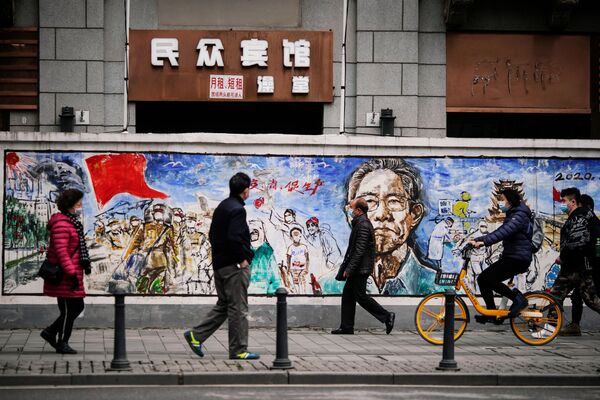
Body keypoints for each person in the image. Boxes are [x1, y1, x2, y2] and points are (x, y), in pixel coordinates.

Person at [183, 172, 260, 360]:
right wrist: (242, 259)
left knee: (224, 305)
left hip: (220, 265)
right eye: (249, 188)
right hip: (234, 267)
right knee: (238, 309)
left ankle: (196, 335)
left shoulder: (223, 206)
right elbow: (234, 238)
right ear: (245, 190)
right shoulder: (237, 210)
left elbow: (213, 235)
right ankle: (239, 350)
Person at [347, 158, 438, 295]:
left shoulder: (435, 286)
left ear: (414, 214)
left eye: (394, 201)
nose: (382, 214)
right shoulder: (329, 285)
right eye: (369, 201)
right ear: (351, 214)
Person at [332, 198, 395, 335]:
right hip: (358, 268)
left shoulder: (363, 226)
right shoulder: (360, 223)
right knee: (348, 296)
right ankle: (346, 327)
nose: (350, 210)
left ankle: (386, 316)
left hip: (360, 269)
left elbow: (359, 251)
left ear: (359, 210)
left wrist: (349, 269)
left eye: (352, 208)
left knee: (361, 296)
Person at [40, 189, 91, 354]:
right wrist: (72, 273)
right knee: (72, 309)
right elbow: (62, 253)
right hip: (66, 276)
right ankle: (62, 342)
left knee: (72, 309)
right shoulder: (62, 224)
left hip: (71, 274)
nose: (81, 204)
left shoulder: (71, 222)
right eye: (78, 201)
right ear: (71, 204)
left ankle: (50, 333)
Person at [470, 188, 531, 323]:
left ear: (510, 200)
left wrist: (482, 242)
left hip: (517, 258)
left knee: (487, 278)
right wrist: (477, 239)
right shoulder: (513, 214)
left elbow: (503, 232)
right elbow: (499, 231)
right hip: (512, 257)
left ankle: (518, 299)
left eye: (502, 199)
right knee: (484, 279)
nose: (500, 203)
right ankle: (492, 313)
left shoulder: (519, 215)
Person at [551, 188, 600, 337]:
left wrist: (562, 257)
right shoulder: (579, 216)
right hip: (571, 267)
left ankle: (552, 328)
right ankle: (549, 329)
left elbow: (576, 242)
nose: (562, 204)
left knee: (590, 299)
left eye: (563, 201)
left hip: (580, 267)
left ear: (573, 201)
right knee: (555, 296)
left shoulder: (581, 217)